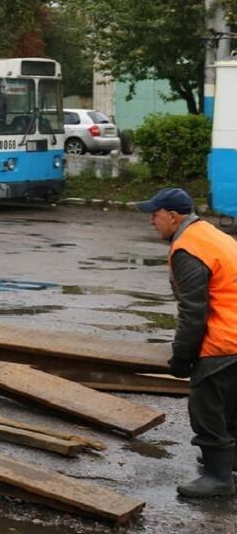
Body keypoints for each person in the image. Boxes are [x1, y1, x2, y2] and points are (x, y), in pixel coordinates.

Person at [136, 187, 237, 498]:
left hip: (224, 341)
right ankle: (228, 463)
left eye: (155, 215)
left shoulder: (188, 248)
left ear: (173, 216)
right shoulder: (209, 233)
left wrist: (182, 357)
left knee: (206, 409)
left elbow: (193, 311)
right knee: (232, 407)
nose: (151, 221)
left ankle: (218, 479)